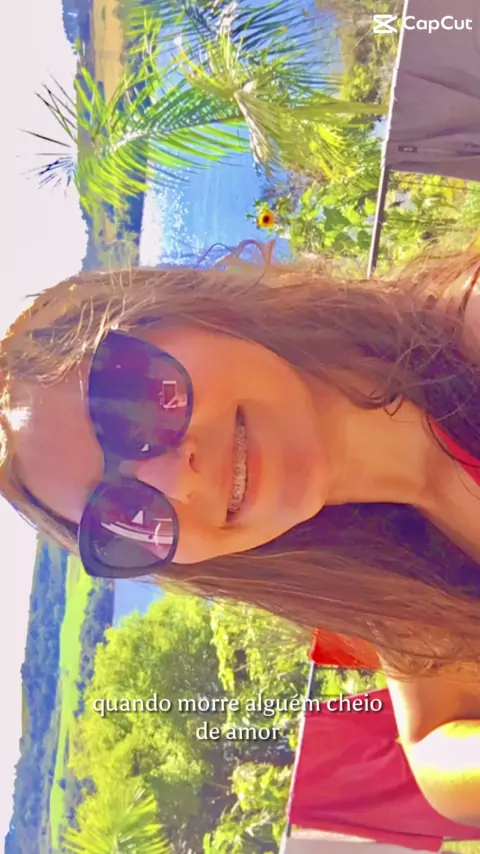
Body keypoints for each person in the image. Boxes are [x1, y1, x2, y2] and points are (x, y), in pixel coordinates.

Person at [2, 239, 480, 825]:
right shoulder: (404, 569)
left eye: (133, 406)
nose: (176, 482)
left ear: (192, 312)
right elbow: (431, 742)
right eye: (123, 513)